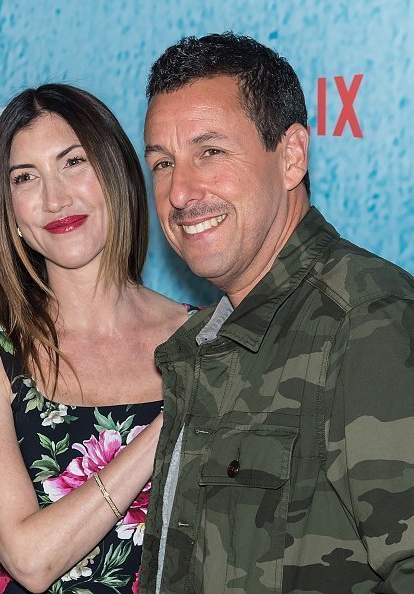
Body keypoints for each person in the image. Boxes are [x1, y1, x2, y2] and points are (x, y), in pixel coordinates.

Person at [139, 33, 414, 594]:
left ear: (291, 157)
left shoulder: (367, 320)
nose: (181, 191)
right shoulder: (205, 341)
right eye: (163, 163)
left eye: (210, 151)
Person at [0, 83, 192, 594]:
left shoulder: (208, 336)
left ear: (117, 170)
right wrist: (173, 422)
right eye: (25, 178)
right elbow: (30, 561)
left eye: (73, 162)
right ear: (7, 208)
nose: (55, 199)